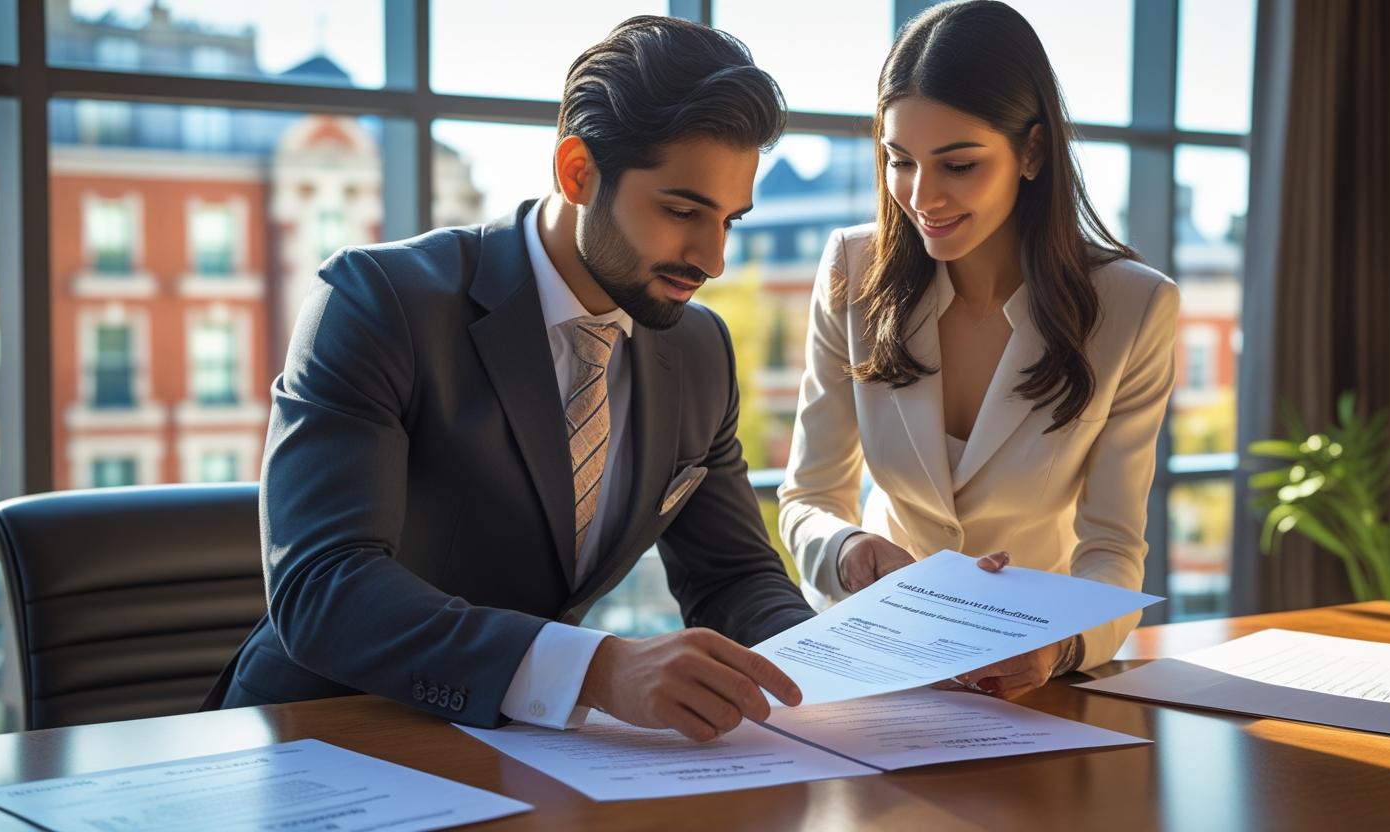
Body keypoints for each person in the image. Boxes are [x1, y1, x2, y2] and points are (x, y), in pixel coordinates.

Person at [206, 16, 815, 743]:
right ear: (577, 172)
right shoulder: (377, 302)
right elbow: (323, 588)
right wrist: (598, 670)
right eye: (682, 211)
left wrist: (851, 666)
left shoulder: (698, 350)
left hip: (520, 753)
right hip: (320, 737)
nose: (712, 259)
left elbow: (735, 579)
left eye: (729, 221)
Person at [778, 0, 1179, 701]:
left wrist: (1060, 648)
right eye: (900, 161)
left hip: (1032, 676)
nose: (922, 197)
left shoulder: (1134, 306)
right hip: (881, 667)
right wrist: (847, 551)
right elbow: (809, 498)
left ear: (1032, 152)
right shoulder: (851, 269)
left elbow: (1113, 549)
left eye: (958, 165)